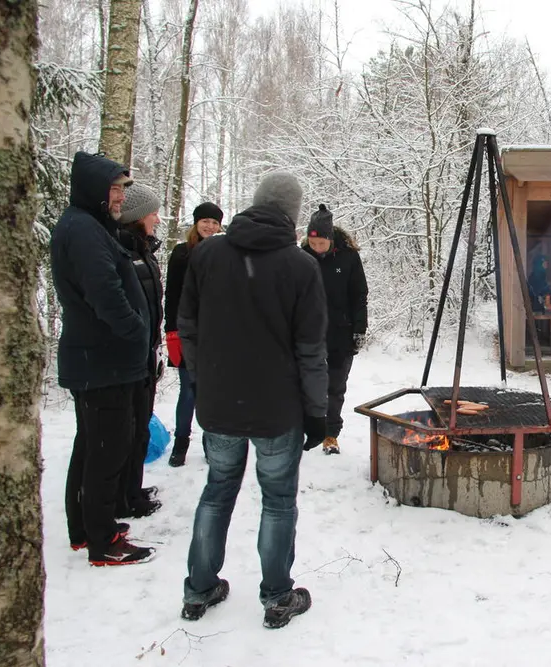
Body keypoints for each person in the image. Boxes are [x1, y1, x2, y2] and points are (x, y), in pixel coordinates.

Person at [178, 172, 328, 629]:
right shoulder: (300, 267)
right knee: (278, 501)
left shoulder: (207, 254)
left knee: (217, 492)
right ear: (293, 214)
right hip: (275, 408)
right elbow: (311, 349)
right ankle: (277, 596)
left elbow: (190, 327)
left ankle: (199, 589)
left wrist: (206, 382)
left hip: (220, 403)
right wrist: (317, 411)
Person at [50, 151, 156, 566]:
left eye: (121, 191)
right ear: (95, 191)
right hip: (104, 362)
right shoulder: (83, 230)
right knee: (107, 450)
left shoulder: (86, 226)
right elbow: (105, 293)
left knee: (92, 446)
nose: (118, 199)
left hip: (99, 359)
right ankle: (103, 540)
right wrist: (136, 331)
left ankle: (84, 527)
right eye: (114, 190)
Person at [116, 183, 165, 518]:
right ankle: (121, 497)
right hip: (129, 358)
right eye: (152, 213)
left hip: (146, 353)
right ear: (137, 217)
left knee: (140, 429)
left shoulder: (143, 251)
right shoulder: (123, 253)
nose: (158, 219)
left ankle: (132, 490)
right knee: (126, 433)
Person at [302, 204, 368, 455]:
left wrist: (359, 329)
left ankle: (331, 434)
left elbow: (359, 295)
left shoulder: (349, 257)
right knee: (307, 383)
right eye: (312, 243)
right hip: (309, 331)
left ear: (330, 239)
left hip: (341, 331)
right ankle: (308, 428)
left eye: (321, 244)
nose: (317, 249)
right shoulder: (302, 255)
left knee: (335, 385)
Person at [164, 202, 224, 466]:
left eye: (214, 222)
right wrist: (171, 331)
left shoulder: (225, 254)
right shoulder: (181, 253)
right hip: (187, 333)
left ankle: (210, 444)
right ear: (196, 223)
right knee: (188, 391)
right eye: (205, 221)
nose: (209, 226)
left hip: (216, 335)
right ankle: (181, 443)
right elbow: (172, 295)